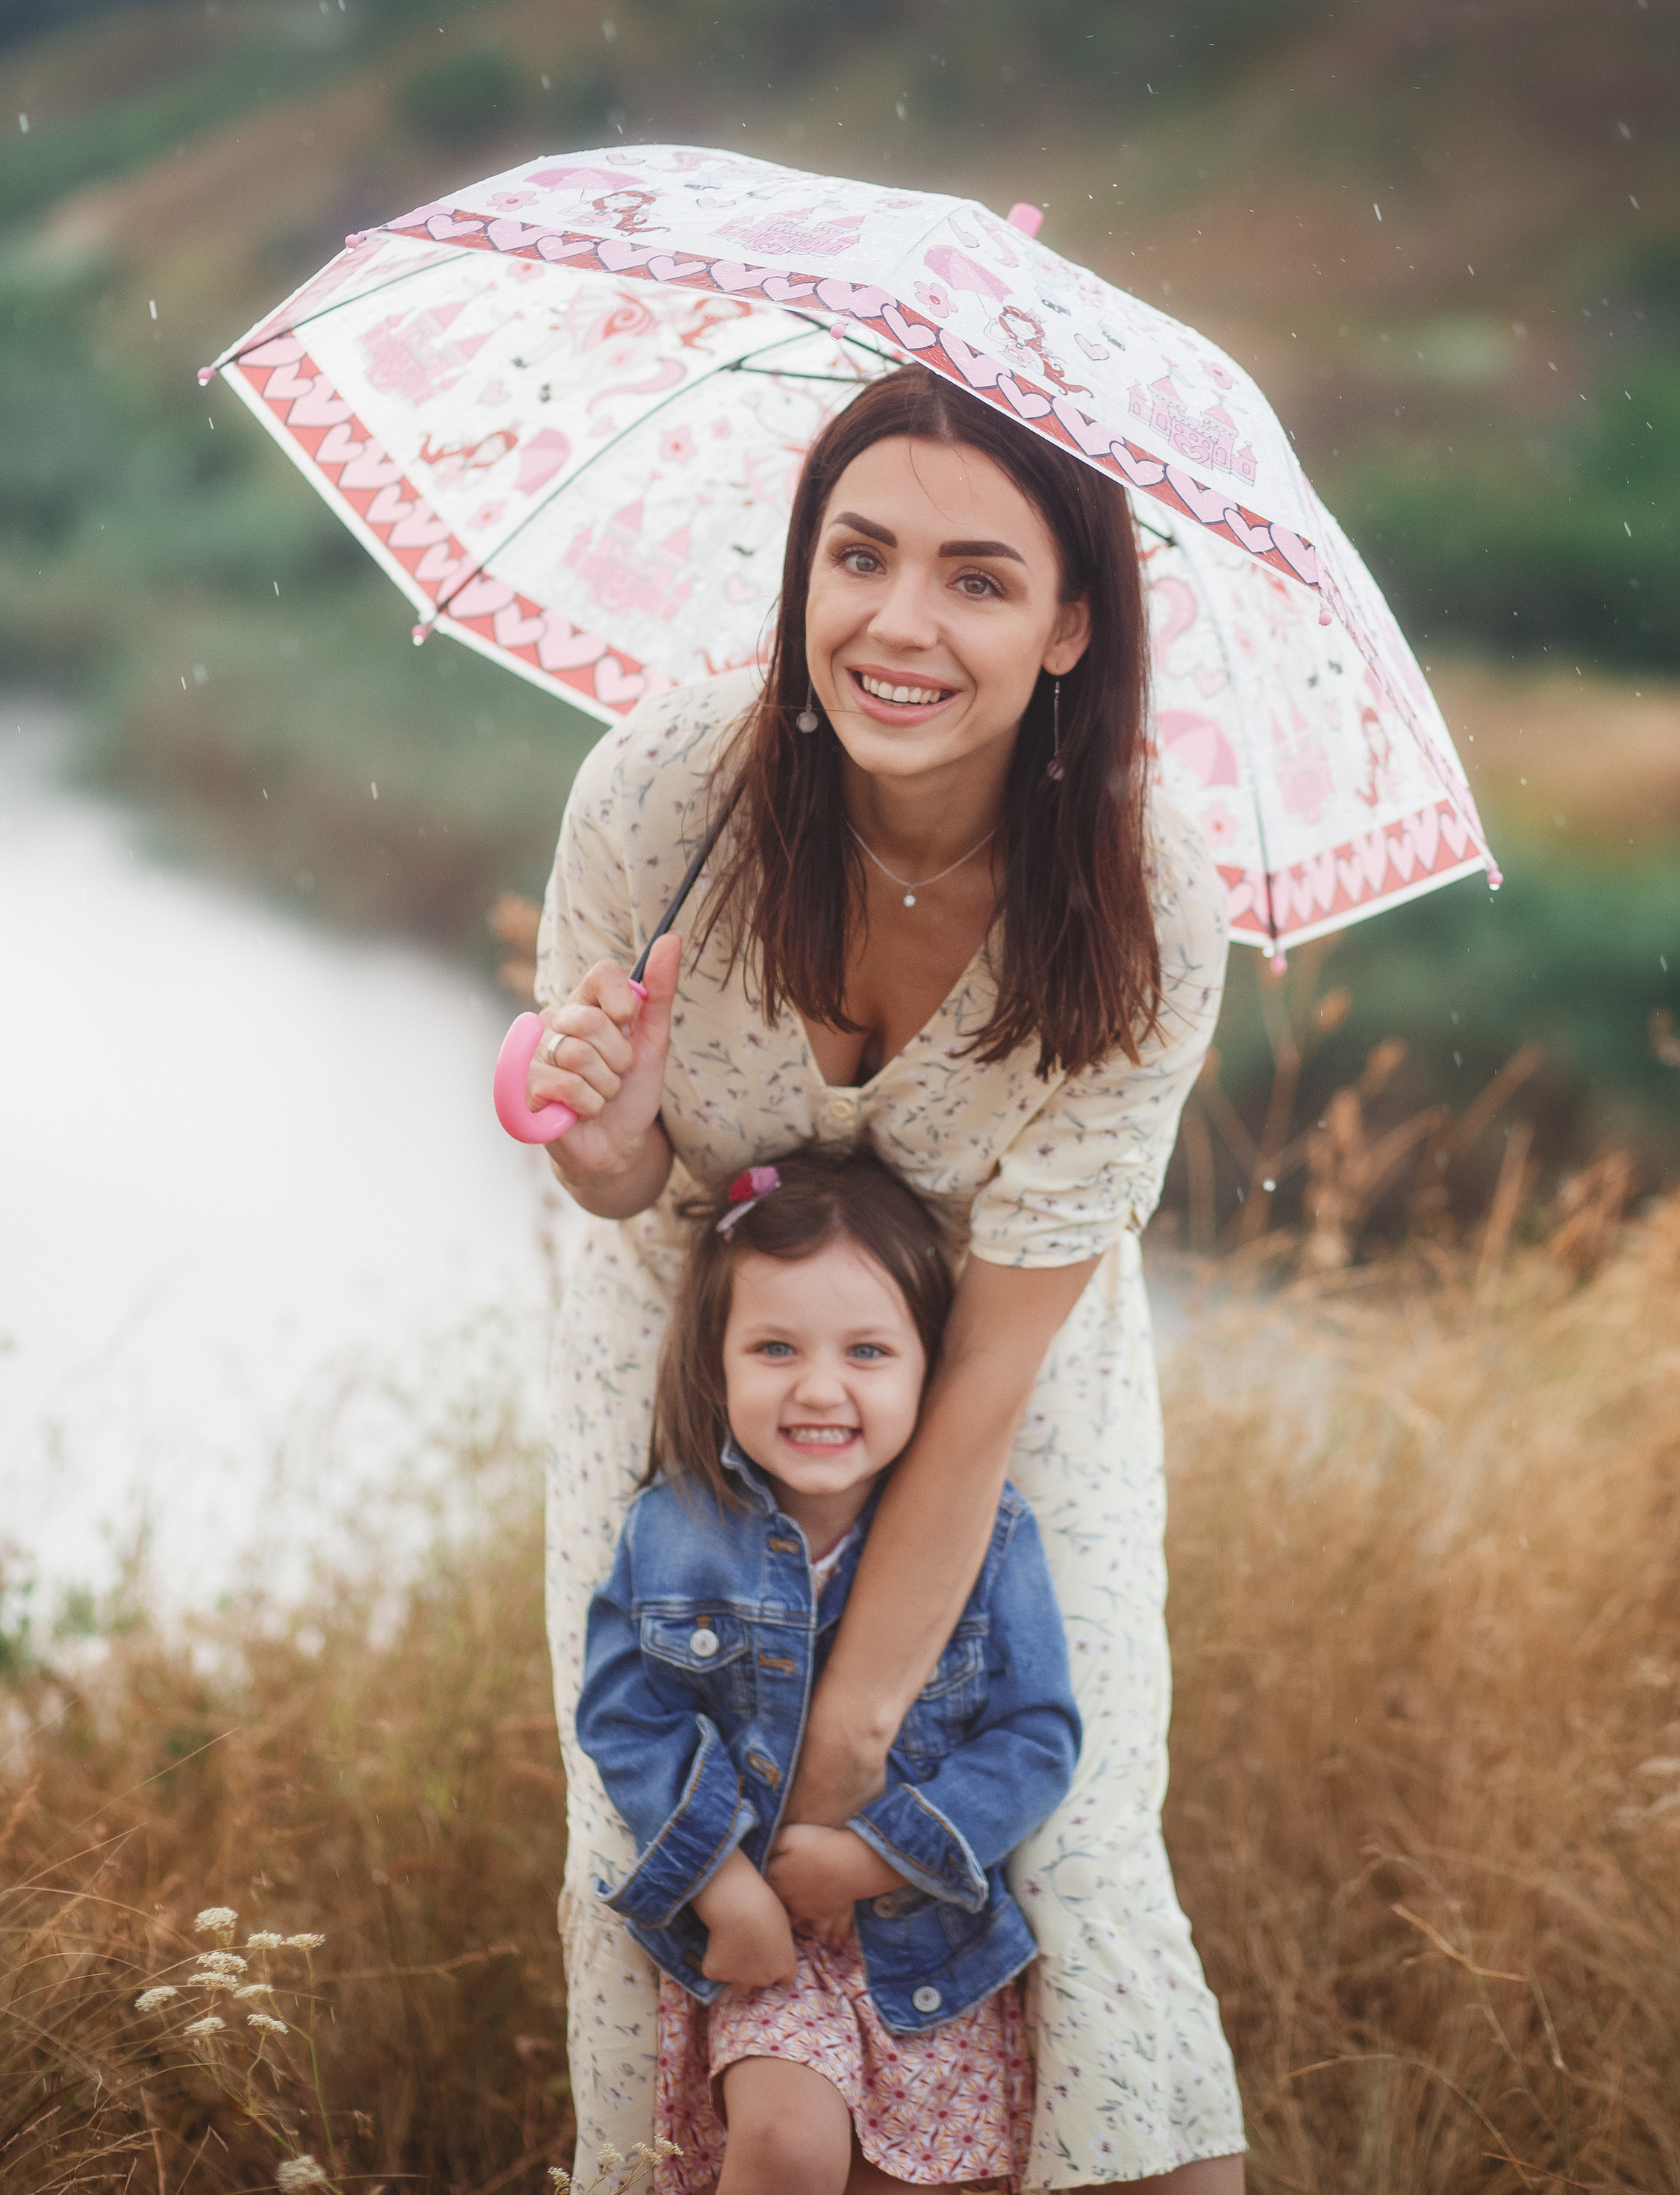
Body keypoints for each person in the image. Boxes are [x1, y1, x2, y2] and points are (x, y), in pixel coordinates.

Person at [534, 362, 1246, 2192]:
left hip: (1007, 1379)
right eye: (856, 555)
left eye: (978, 578)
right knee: (684, 1829)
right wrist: (597, 1130)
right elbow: (621, 1178)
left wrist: (851, 1737)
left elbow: (990, 1375)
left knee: (1064, 1856)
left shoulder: (1141, 891)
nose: (895, 624)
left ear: (1074, 622)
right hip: (698, 1371)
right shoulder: (663, 792)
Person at [577, 1146, 1081, 2195]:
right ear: (714, 1363)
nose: (819, 1389)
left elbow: (1035, 1739)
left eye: (866, 1351)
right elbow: (631, 1722)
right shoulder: (674, 1530)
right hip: (763, 1944)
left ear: (929, 1368)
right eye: (773, 1347)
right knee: (788, 2149)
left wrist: (875, 1859)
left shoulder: (991, 1538)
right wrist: (723, 1889)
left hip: (929, 1944)